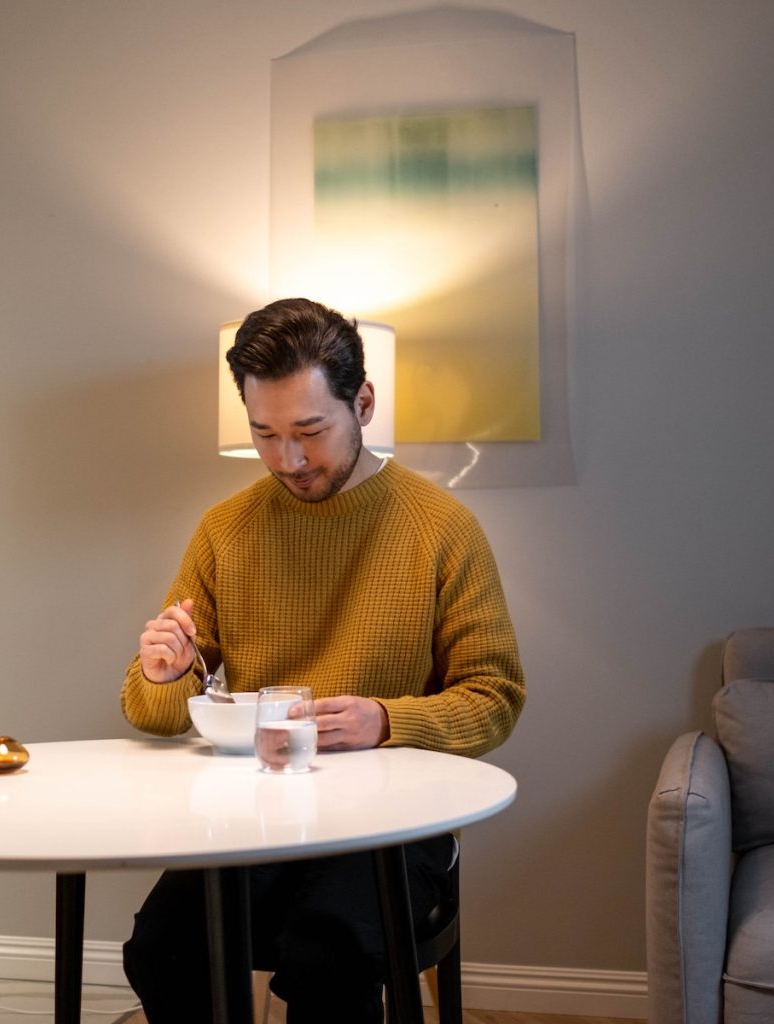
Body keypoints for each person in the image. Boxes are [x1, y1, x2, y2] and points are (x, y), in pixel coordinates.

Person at [120, 297, 525, 1023]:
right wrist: (161, 672)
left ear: (363, 402)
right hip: (257, 815)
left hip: (397, 822)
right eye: (265, 435)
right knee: (160, 949)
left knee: (328, 958)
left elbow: (496, 698)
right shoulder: (225, 531)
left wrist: (386, 719)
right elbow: (155, 713)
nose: (290, 460)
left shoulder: (442, 528)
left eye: (310, 431)